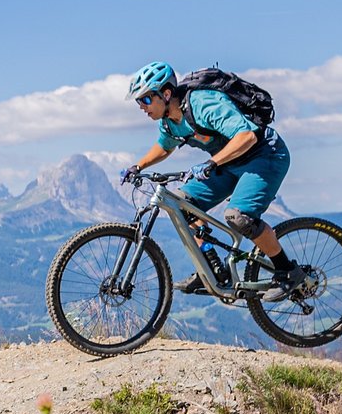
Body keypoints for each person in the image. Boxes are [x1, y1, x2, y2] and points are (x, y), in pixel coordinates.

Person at [118, 62, 305, 292]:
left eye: (145, 99)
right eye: (139, 102)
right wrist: (138, 166)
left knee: (239, 217)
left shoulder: (202, 103)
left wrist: (212, 162)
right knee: (181, 204)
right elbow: (164, 147)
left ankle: (288, 270)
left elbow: (247, 136)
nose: (141, 107)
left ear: (165, 94)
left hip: (265, 156)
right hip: (228, 163)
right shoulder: (170, 121)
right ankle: (212, 267)